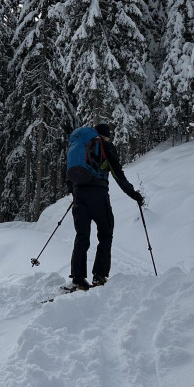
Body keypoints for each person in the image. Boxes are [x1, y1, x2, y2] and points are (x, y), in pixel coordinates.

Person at [68, 123, 144, 290]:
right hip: (98, 194)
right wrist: (134, 194)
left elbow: (72, 176)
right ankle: (99, 276)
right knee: (106, 232)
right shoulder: (106, 147)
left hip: (79, 194)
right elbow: (118, 174)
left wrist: (76, 194)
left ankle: (78, 278)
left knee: (82, 235)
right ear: (106, 135)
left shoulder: (81, 148)